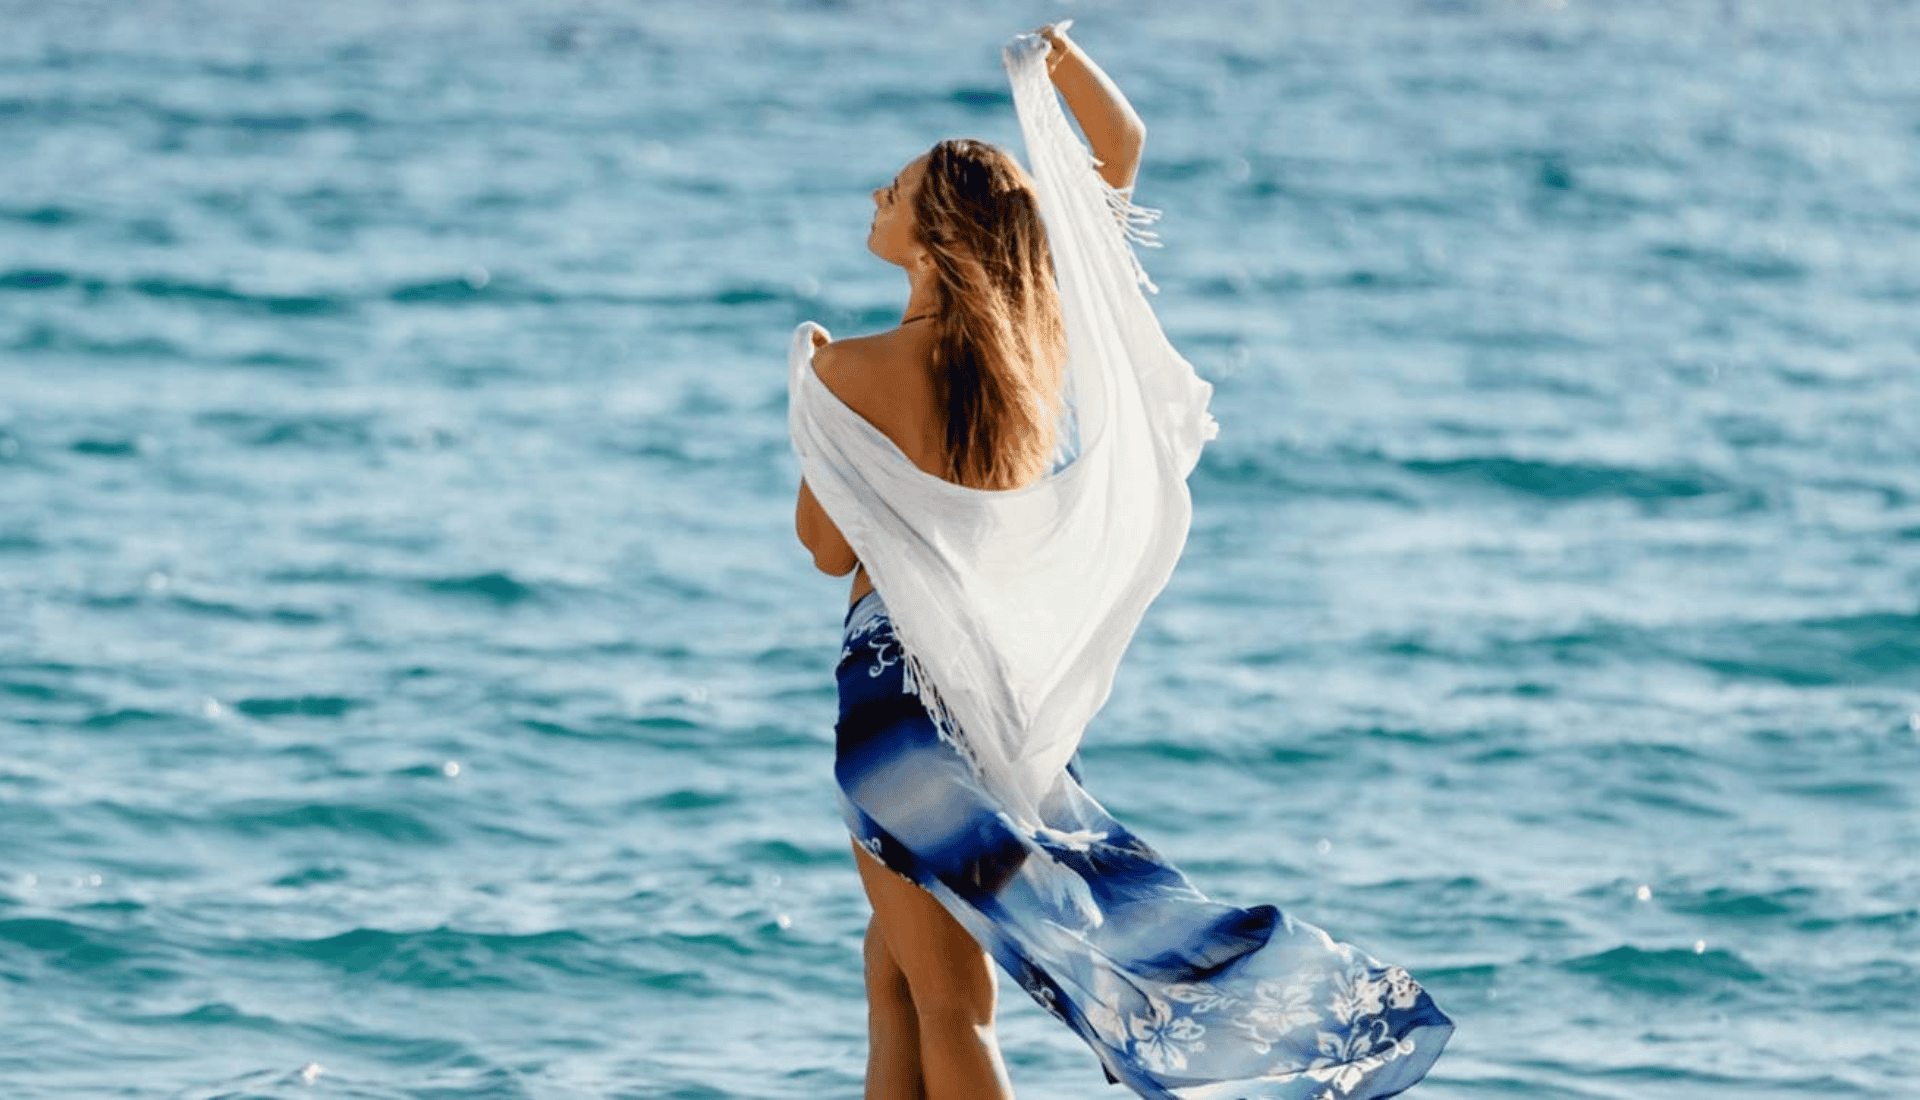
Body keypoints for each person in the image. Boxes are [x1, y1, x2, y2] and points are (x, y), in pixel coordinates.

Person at [790, 24, 1452, 1100]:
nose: (878, 191)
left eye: (898, 187)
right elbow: (1122, 143)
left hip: (893, 702)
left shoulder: (847, 370)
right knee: (898, 965)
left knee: (948, 993)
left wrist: (809, 394)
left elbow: (826, 551)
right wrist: (1055, 58)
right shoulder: (1026, 346)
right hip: (991, 700)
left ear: (935, 235)